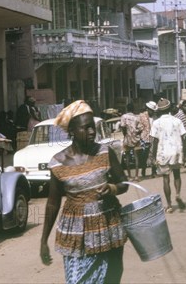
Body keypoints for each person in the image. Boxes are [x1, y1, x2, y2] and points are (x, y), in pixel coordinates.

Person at [39, 100, 129, 284]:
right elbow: (53, 203)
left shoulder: (105, 153)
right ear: (71, 131)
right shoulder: (58, 162)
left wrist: (112, 189)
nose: (91, 132)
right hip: (76, 233)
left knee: (110, 278)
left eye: (92, 127)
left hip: (108, 227)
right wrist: (43, 240)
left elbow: (124, 183)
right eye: (85, 128)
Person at [150, 98, 186, 213]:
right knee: (177, 175)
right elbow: (183, 137)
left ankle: (169, 205)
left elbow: (154, 141)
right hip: (176, 151)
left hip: (163, 153)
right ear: (170, 109)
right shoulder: (177, 121)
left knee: (166, 179)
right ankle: (178, 194)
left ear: (159, 111)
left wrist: (152, 155)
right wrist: (184, 154)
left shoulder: (156, 123)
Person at [119, 103, 143, 181]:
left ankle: (129, 176)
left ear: (127, 109)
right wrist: (136, 134)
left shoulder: (124, 117)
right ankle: (136, 176)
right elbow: (140, 128)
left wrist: (125, 134)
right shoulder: (137, 117)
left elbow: (122, 127)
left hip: (127, 139)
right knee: (137, 158)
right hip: (136, 139)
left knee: (127, 157)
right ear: (133, 109)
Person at [138, 102, 156, 179]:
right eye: (151, 110)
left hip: (153, 137)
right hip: (144, 138)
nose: (152, 112)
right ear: (148, 109)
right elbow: (139, 126)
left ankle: (153, 171)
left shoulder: (155, 117)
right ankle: (143, 170)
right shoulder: (142, 116)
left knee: (153, 155)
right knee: (144, 155)